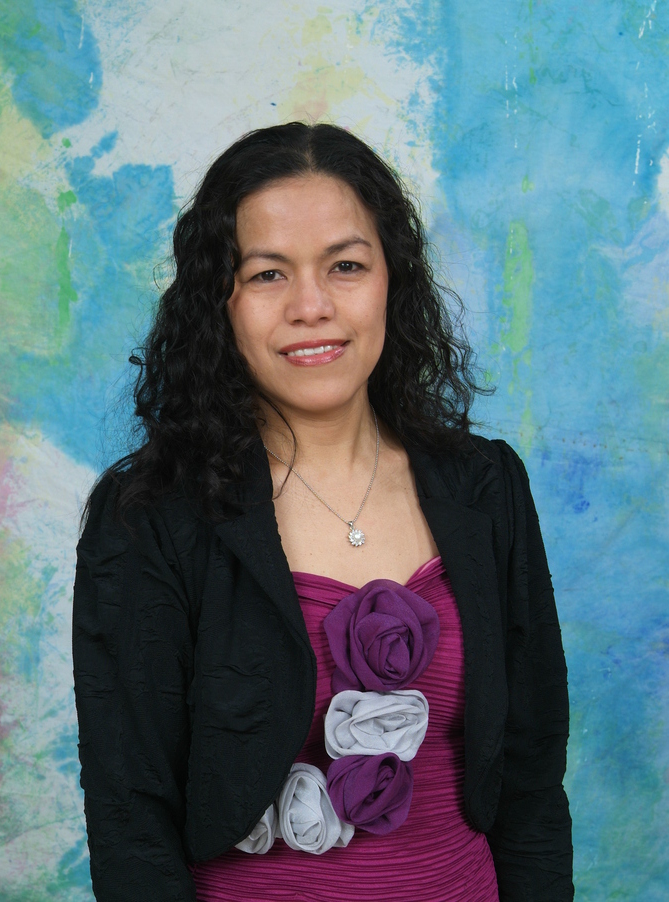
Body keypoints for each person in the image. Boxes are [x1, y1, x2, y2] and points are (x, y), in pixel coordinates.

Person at [73, 122, 574, 902]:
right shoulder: (150, 516)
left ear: (391, 280)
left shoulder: (485, 487)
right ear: (219, 302)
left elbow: (532, 781)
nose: (310, 306)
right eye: (267, 274)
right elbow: (130, 821)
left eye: (345, 266)